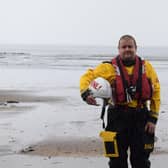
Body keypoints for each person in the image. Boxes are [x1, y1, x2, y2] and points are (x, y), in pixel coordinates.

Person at [79, 35, 160, 168]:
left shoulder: (147, 67)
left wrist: (153, 118)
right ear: (119, 49)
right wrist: (85, 92)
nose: (127, 49)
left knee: (141, 161)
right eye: (124, 47)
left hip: (141, 118)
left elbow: (156, 92)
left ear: (136, 48)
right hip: (116, 118)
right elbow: (87, 76)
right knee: (116, 161)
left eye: (130, 46)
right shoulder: (107, 68)